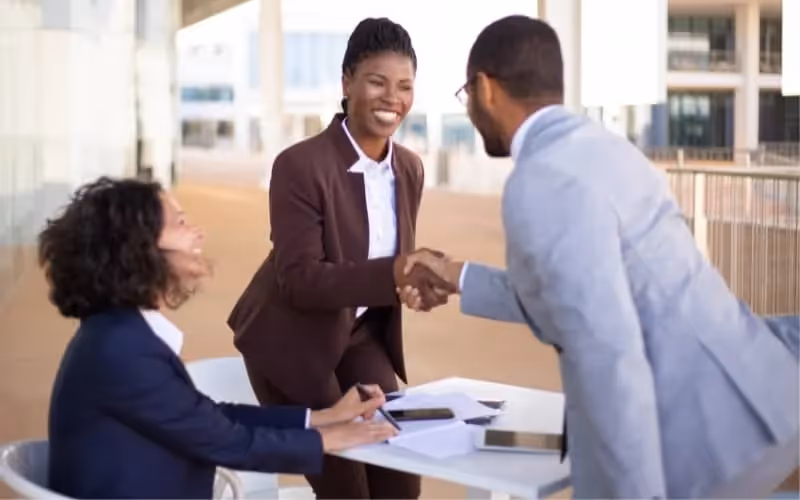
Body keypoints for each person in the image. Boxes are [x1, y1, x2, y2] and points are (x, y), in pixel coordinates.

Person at [398, 15, 800, 499]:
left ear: (485, 89)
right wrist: (457, 275)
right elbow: (575, 294)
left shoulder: (541, 179)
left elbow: (606, 352)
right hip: (754, 399)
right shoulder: (607, 150)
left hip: (703, 444)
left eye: (466, 96)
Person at [41, 177, 398, 499]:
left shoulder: (117, 334)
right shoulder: (124, 351)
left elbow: (206, 417)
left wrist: (324, 418)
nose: (199, 233)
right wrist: (331, 439)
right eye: (180, 224)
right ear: (138, 248)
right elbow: (228, 443)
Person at [227, 17, 453, 499]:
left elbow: (381, 267)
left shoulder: (409, 169)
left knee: (399, 471)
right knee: (347, 485)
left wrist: (412, 286)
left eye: (405, 86)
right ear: (347, 81)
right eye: (377, 81)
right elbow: (300, 280)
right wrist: (394, 274)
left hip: (360, 334)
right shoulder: (299, 165)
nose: (392, 97)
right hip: (291, 338)